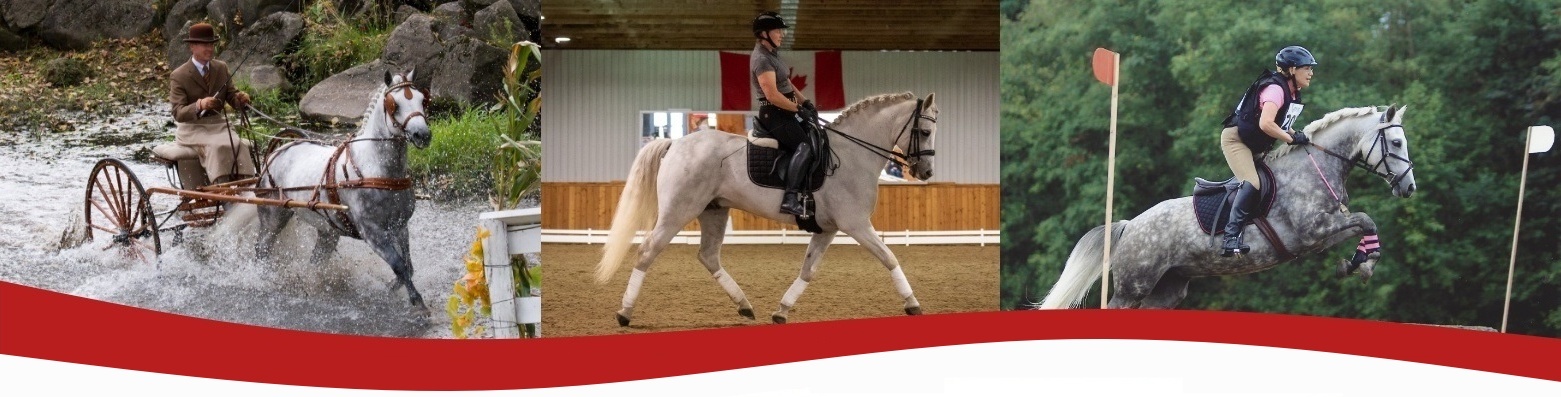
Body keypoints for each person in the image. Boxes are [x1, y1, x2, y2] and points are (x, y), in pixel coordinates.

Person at [1216, 45, 1317, 256]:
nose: (1311, 73)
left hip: (1254, 143)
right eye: (1306, 68)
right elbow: (1266, 124)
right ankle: (1230, 236)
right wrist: (1290, 138)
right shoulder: (1275, 90)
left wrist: (1295, 134)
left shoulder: (1292, 92)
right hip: (1237, 141)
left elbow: (1280, 123)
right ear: (1291, 70)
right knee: (1252, 182)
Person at [169, 22, 255, 185]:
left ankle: (247, 185)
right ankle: (221, 187)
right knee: (216, 147)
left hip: (218, 125)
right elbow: (178, 113)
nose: (209, 49)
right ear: (192, 46)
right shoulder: (179, 75)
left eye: (211, 44)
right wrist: (199, 105)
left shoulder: (220, 68)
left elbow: (231, 95)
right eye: (204, 45)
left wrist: (240, 99)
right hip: (192, 129)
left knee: (238, 145)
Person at [750, 11, 816, 216]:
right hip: (774, 113)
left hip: (785, 110)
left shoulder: (773, 55)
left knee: (815, 136)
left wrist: (806, 102)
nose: (782, 34)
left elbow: (786, 83)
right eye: (778, 30)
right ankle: (790, 197)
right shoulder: (761, 59)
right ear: (764, 33)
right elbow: (772, 95)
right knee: (804, 146)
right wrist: (798, 110)